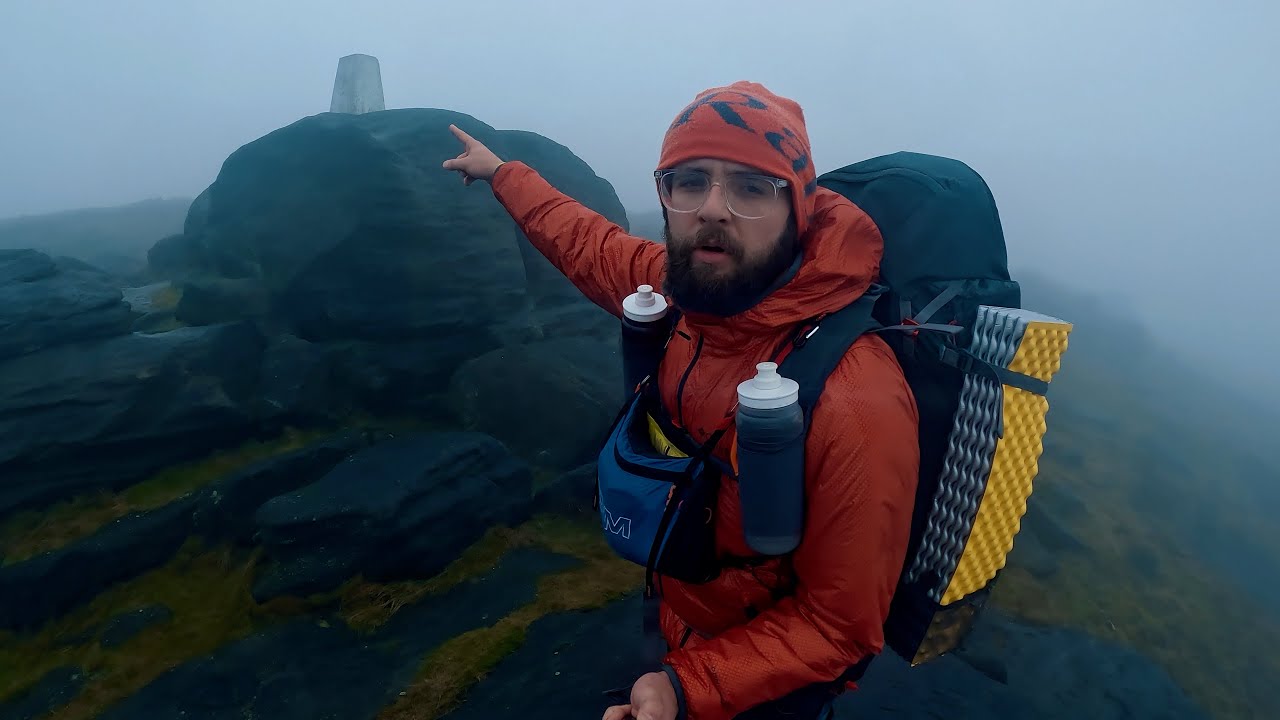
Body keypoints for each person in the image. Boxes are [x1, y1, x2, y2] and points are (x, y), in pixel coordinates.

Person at [443, 81, 920, 720]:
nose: (713, 208)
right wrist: (503, 173)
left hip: (764, 686)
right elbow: (585, 242)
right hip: (680, 624)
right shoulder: (682, 293)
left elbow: (840, 626)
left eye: (753, 187)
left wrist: (683, 687)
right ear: (666, 194)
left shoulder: (856, 399)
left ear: (799, 208)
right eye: (689, 180)